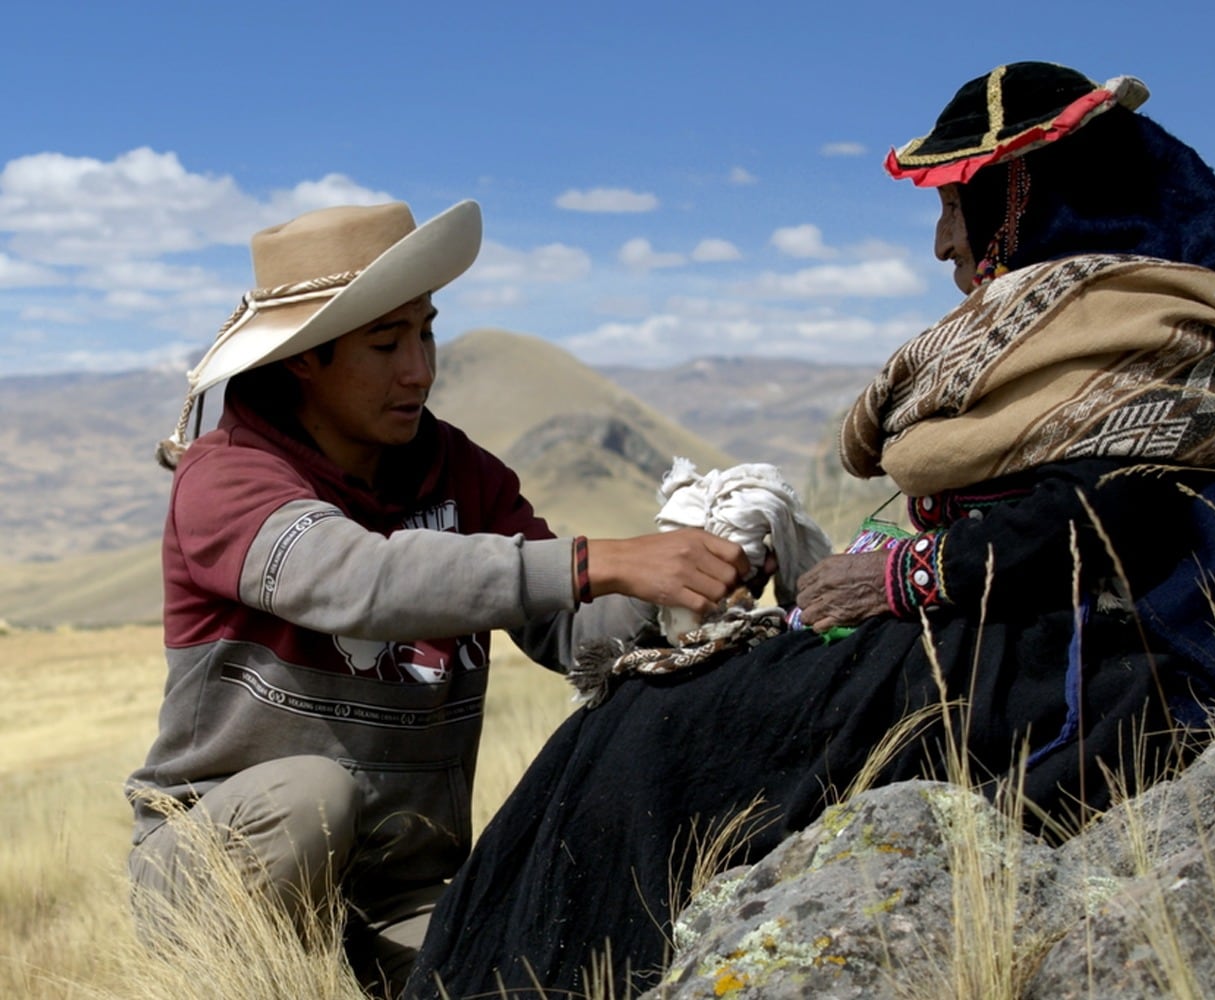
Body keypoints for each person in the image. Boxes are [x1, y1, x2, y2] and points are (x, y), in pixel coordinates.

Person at [403, 61, 1215, 999]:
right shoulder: (1081, 320)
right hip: (993, 626)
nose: (943, 244)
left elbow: (1108, 513)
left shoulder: (1147, 328)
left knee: (662, 737)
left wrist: (906, 577)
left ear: (1024, 198)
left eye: (956, 205)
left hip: (1051, 653)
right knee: (628, 722)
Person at [123, 200, 758, 998]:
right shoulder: (226, 475)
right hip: (218, 867)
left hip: (402, 889)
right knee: (310, 797)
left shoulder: (462, 473)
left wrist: (690, 581)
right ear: (305, 360)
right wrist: (598, 561)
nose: (418, 369)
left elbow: (571, 632)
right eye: (385, 343)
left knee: (527, 979)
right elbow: (360, 580)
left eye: (425, 333)